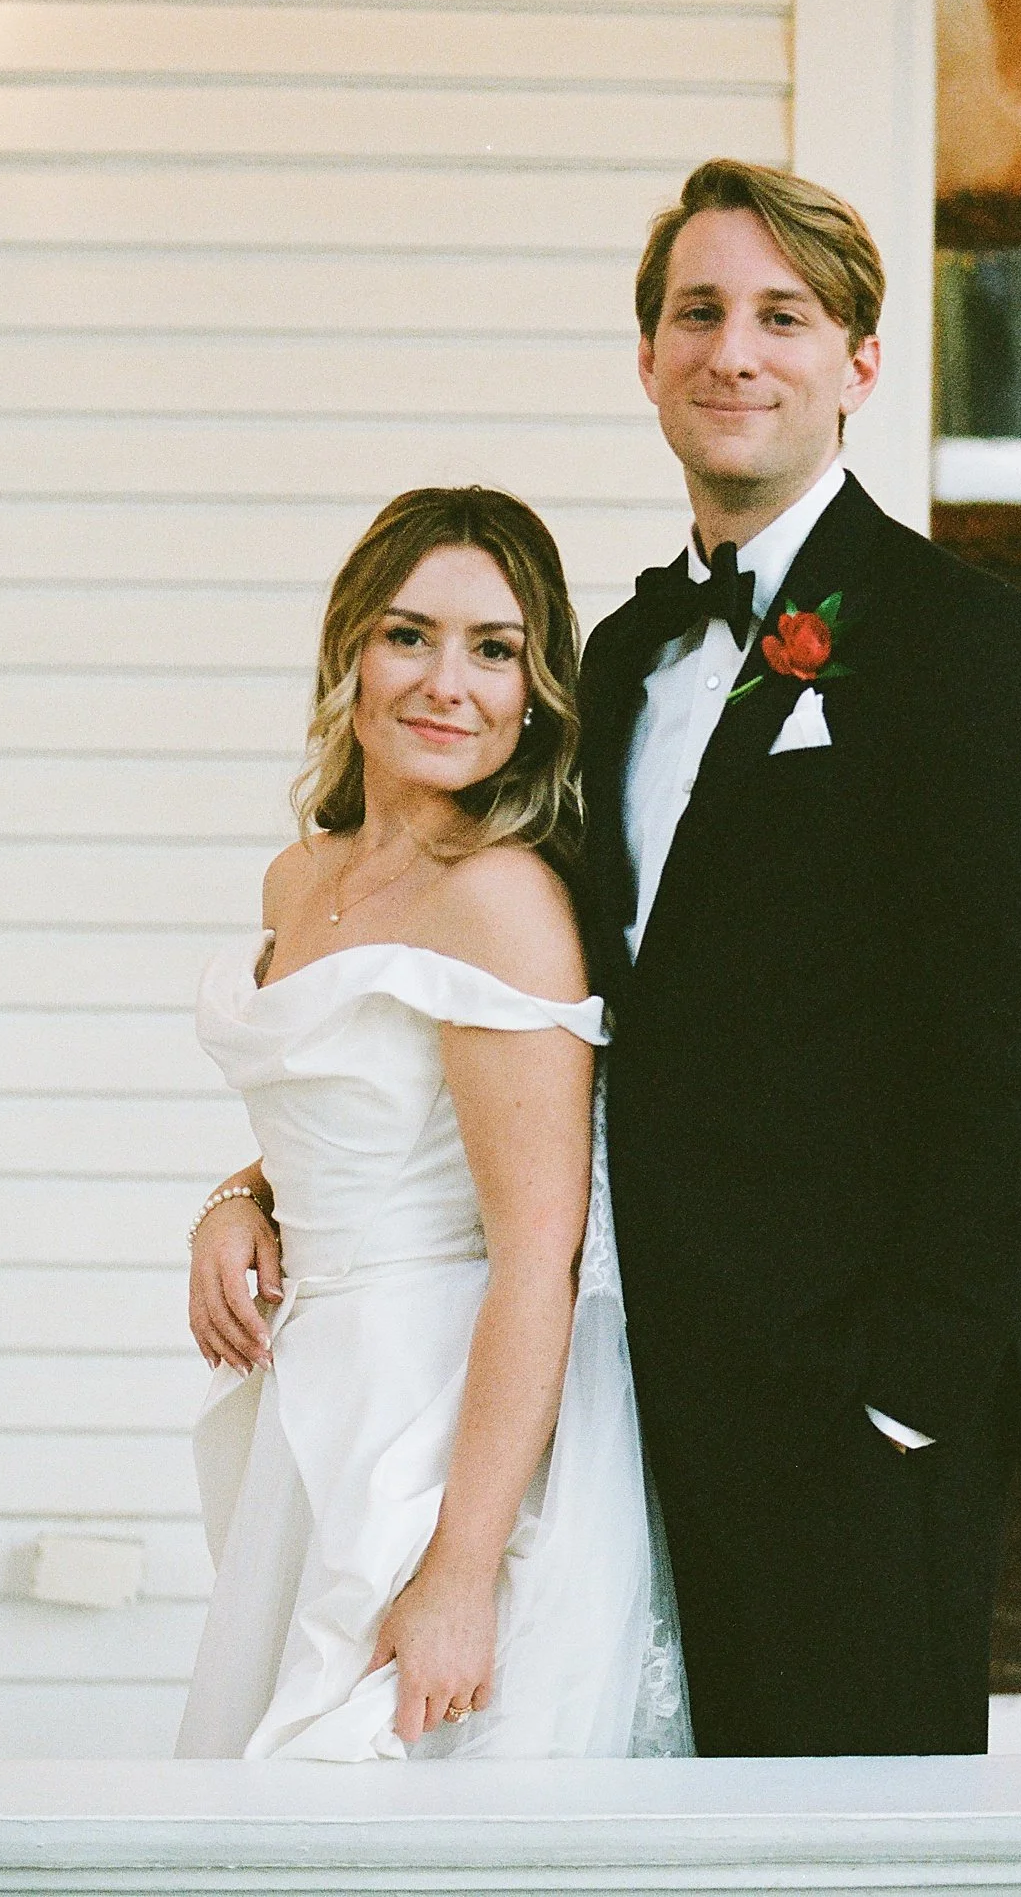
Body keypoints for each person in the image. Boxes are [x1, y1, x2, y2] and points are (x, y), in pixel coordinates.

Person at [580, 159, 1021, 1757]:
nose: (733, 350)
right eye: (697, 312)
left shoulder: (963, 642)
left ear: (859, 362)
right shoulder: (617, 659)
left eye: (781, 315)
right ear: (651, 357)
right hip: (620, 1410)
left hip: (850, 1438)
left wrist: (897, 1398)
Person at [176, 486, 688, 1762]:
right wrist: (237, 1199)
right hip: (319, 1402)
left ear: (535, 690)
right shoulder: (303, 877)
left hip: (442, 1418)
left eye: (495, 649)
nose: (447, 682)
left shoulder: (501, 898)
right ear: (351, 649)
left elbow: (539, 1251)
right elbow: (360, 1110)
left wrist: (461, 1571)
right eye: (410, 636)